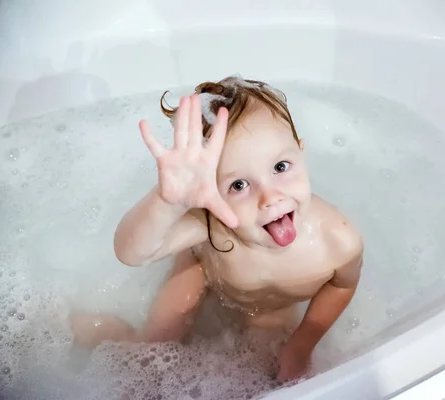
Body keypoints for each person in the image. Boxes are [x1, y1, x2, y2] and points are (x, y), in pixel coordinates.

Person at [70, 75, 363, 381]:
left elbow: (341, 285)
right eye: (238, 184)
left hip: (268, 306)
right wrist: (167, 201)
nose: (270, 197)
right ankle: (106, 330)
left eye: (280, 167)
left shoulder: (338, 240)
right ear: (209, 192)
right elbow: (131, 254)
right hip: (201, 271)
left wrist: (302, 345)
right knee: (152, 352)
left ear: (301, 152)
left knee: (270, 364)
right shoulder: (212, 224)